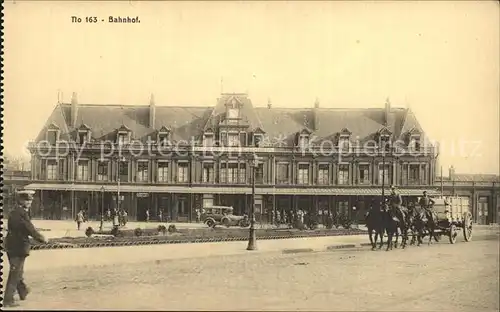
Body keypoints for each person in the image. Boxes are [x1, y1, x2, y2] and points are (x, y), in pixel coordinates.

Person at [4, 190, 48, 307]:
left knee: (18, 271)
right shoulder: (21, 213)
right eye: (28, 200)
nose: (30, 203)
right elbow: (29, 229)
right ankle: (8, 300)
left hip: (12, 245)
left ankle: (23, 291)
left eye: (30, 200)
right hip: (18, 247)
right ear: (21, 201)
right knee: (15, 273)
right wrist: (42, 238)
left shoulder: (14, 212)